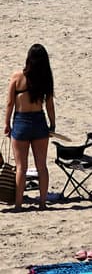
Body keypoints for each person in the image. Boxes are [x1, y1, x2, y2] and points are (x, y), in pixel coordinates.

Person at [4, 44, 55, 210]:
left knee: (21, 167)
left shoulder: (17, 77)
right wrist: (52, 124)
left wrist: (6, 124)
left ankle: (18, 205)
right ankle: (42, 203)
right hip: (39, 121)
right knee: (42, 166)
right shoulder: (45, 78)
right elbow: (49, 105)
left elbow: (10, 103)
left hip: (21, 122)